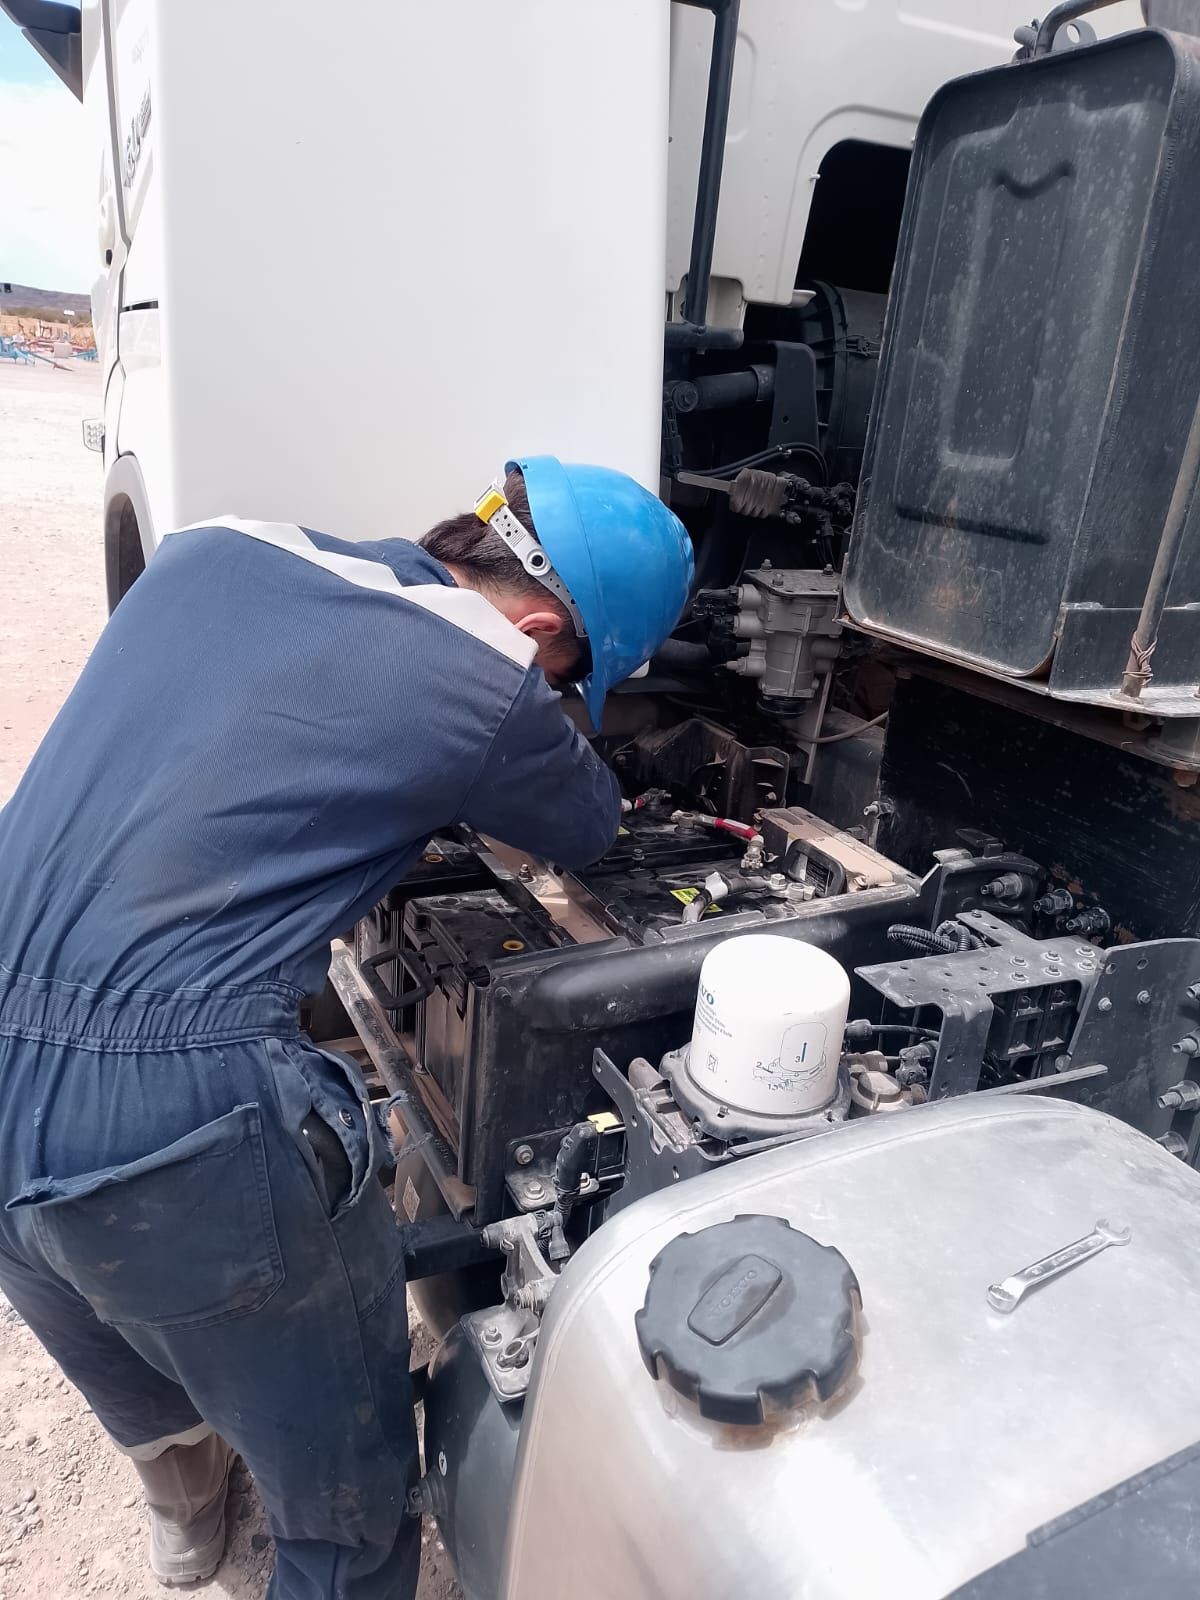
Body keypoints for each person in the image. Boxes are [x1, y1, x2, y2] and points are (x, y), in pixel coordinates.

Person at [0, 456, 693, 1598]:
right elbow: (586, 824)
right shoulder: (492, 678)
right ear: (534, 625)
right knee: (353, 1510)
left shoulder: (214, 546)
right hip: (167, 1117)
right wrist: (544, 725)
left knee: (107, 1316)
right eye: (571, 675)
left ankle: (188, 1510)